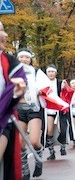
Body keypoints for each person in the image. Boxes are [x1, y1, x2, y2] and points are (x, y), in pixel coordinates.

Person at [0, 22, 27, 180]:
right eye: (1, 31)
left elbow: (20, 85)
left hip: (3, 119)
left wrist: (17, 91)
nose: (5, 36)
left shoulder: (10, 62)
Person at [16, 48, 44, 179]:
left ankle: (39, 159)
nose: (23, 60)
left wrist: (38, 90)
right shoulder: (13, 72)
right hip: (18, 109)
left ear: (30, 59)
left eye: (26, 57)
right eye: (21, 57)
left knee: (33, 141)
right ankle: (25, 169)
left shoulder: (37, 72)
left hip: (33, 109)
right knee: (20, 143)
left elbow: (46, 87)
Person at [44, 64, 69, 160]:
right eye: (49, 72)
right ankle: (51, 151)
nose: (51, 73)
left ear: (56, 73)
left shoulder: (59, 82)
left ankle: (63, 146)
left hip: (59, 109)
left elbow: (67, 93)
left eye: (52, 72)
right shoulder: (43, 83)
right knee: (49, 131)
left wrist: (64, 88)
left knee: (62, 128)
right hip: (49, 109)